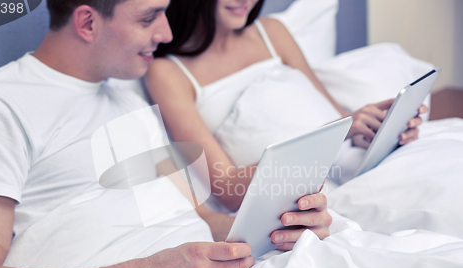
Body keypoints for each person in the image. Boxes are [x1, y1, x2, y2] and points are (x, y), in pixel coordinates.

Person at [0, 0, 332, 268]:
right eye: (148, 17)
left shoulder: (129, 99)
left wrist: (282, 224)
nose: (166, 32)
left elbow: (202, 219)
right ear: (87, 23)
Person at [145, 0, 428, 212]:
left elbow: (342, 122)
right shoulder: (166, 73)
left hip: (351, 169)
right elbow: (227, 190)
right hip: (298, 199)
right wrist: (339, 129)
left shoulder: (272, 32)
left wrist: (383, 130)